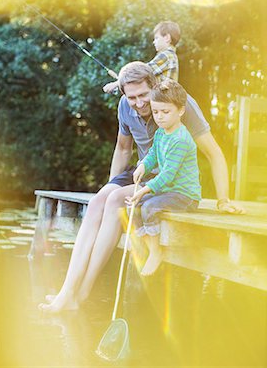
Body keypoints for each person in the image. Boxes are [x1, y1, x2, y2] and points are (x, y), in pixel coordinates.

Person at [39, 61, 244, 313]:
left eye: (143, 95)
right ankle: (66, 291)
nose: (138, 103)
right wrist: (109, 186)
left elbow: (213, 153)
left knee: (115, 201)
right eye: (131, 97)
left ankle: (80, 295)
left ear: (154, 86)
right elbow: (124, 148)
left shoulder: (178, 104)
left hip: (168, 178)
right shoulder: (125, 106)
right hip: (142, 169)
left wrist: (223, 199)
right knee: (98, 201)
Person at [126, 79, 201, 276]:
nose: (159, 117)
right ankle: (150, 247)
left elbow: (168, 175)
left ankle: (156, 252)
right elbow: (152, 154)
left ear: (181, 111)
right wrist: (143, 165)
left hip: (185, 195)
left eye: (165, 112)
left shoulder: (181, 140)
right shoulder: (161, 132)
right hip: (169, 192)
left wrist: (144, 189)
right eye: (156, 111)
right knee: (135, 207)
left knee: (149, 206)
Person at [102, 21, 180, 94]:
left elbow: (143, 72)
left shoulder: (166, 55)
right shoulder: (171, 56)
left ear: (167, 38)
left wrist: (116, 84)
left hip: (163, 98)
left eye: (156, 38)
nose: (154, 42)